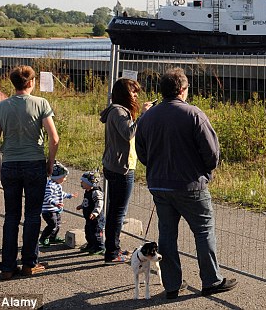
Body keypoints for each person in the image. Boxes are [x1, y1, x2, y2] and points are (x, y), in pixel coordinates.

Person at [135, 66, 237, 299]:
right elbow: (212, 153)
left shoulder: (148, 117)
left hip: (159, 184)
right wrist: (205, 170)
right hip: (190, 184)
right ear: (182, 89)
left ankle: (172, 285)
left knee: (167, 234)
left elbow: (141, 152)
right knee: (203, 230)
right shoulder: (194, 114)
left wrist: (156, 167)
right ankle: (211, 280)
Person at [0, 64, 60, 280]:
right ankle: (29, 263)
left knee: (11, 216)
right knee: (32, 215)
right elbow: (54, 138)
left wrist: (0, 168)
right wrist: (50, 162)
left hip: (10, 164)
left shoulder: (2, 106)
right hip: (34, 163)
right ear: (31, 82)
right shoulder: (41, 103)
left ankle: (7, 266)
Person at [100, 77, 152, 263]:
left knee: (115, 210)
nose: (136, 95)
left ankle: (113, 248)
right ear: (124, 94)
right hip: (121, 169)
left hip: (116, 165)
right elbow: (129, 132)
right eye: (133, 92)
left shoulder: (118, 110)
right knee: (118, 212)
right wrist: (143, 115)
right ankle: (113, 252)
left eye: (137, 92)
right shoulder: (118, 111)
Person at [40, 162, 74, 245]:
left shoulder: (57, 185)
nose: (65, 179)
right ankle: (44, 238)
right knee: (52, 225)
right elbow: (47, 197)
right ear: (57, 177)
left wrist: (69, 195)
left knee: (58, 224)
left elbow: (60, 193)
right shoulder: (50, 185)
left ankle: (53, 237)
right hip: (49, 210)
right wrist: (55, 203)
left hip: (56, 209)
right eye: (64, 177)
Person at [76, 171, 105, 254]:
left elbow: (99, 203)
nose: (81, 183)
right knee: (88, 232)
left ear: (90, 183)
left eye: (83, 182)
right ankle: (91, 245)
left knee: (96, 232)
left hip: (96, 219)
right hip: (89, 218)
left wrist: (95, 213)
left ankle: (99, 247)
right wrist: (81, 206)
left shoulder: (96, 193)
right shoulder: (87, 191)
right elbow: (86, 201)